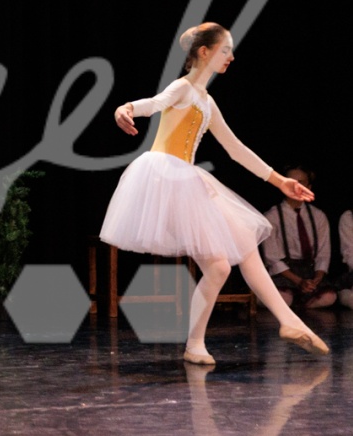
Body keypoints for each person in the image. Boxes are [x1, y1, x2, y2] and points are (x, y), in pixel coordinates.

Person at [102, 22, 327, 363]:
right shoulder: (183, 87)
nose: (231, 57)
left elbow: (236, 149)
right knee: (221, 265)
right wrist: (127, 108)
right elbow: (154, 103)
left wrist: (280, 181)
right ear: (204, 52)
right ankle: (208, 341)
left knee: (232, 256)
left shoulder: (207, 101)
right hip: (167, 178)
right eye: (225, 50)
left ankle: (283, 323)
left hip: (188, 179)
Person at [260, 166, 336, 310]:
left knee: (329, 297)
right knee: (283, 298)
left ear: (309, 187)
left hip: (310, 271)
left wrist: (317, 278)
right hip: (285, 274)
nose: (296, 187)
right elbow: (272, 258)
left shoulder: (318, 216)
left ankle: (304, 306)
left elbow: (324, 253)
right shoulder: (273, 216)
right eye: (291, 182)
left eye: (301, 183)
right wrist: (298, 281)